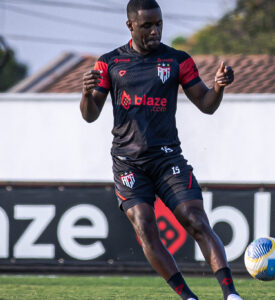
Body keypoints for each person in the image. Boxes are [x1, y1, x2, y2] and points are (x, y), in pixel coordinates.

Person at [80, 1, 240, 299]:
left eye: (159, 24)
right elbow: (90, 115)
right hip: (129, 164)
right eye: (147, 26)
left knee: (197, 221)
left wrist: (218, 87)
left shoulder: (177, 60)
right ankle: (188, 297)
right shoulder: (109, 64)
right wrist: (86, 92)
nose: (155, 31)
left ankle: (230, 294)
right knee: (145, 225)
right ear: (130, 26)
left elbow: (206, 105)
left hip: (167, 160)